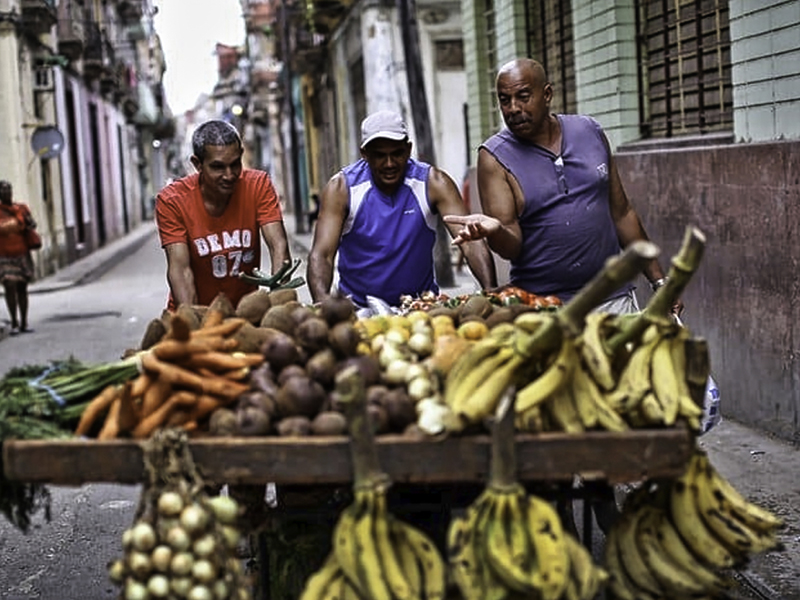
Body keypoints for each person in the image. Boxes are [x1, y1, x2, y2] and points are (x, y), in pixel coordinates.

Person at [444, 58, 683, 316]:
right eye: (505, 100)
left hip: (613, 299)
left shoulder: (589, 132)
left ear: (547, 94)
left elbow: (622, 213)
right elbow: (510, 247)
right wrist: (496, 231)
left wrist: (659, 282)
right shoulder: (494, 157)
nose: (513, 108)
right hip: (544, 309)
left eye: (523, 96)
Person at [307, 110, 497, 307]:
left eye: (397, 153)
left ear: (408, 149)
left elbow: (470, 242)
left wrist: (490, 290)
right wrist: (321, 302)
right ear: (365, 154)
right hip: (357, 311)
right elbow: (322, 254)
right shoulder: (341, 189)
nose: (389, 163)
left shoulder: (433, 183)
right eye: (380, 155)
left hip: (420, 308)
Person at [155, 120, 291, 311]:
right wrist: (196, 322)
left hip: (246, 313)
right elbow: (181, 271)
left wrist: (278, 302)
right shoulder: (172, 200)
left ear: (241, 155)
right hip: (196, 311)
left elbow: (279, 246)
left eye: (235, 164)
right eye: (218, 167)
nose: (229, 175)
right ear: (197, 164)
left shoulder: (258, 185)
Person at [0, 181, 37, 335]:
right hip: (4, 256)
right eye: (2, 190)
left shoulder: (21, 209)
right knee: (9, 285)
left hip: (22, 253)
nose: (6, 192)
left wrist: (29, 222)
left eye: (8, 189)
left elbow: (32, 224)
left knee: (22, 287)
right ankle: (14, 322)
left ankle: (24, 322)